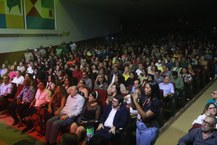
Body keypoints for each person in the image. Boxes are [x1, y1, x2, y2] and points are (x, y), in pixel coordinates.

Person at [132, 80, 162, 145]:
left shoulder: (156, 102)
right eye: (145, 87)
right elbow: (134, 107)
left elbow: (145, 116)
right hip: (140, 126)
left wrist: (135, 101)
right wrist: (133, 97)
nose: (145, 89)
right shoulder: (146, 97)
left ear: (153, 89)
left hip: (148, 129)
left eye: (147, 88)